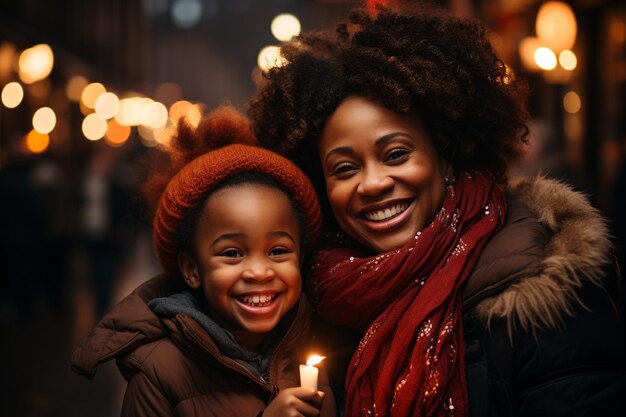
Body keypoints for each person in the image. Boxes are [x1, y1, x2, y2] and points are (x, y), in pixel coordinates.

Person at [248, 3, 626, 417]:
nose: (372, 183)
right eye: (345, 168)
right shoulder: (320, 304)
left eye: (395, 154)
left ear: (446, 157)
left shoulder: (543, 290)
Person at [71, 106, 337, 417]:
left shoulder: (310, 348)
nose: (259, 271)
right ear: (192, 270)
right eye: (232, 253)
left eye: (278, 251)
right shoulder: (159, 376)